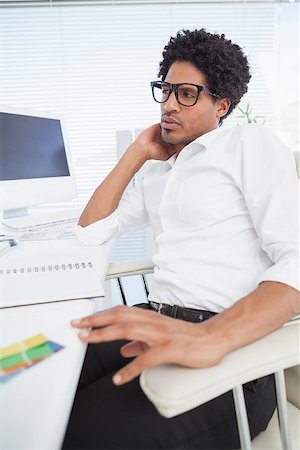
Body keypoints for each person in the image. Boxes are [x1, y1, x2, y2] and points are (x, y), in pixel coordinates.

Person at [62, 29, 299, 449]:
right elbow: (90, 232)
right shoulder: (159, 169)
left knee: (80, 429)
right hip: (157, 318)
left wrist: (212, 336)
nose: (169, 104)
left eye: (187, 93)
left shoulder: (247, 144)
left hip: (232, 348)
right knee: (43, 372)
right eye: (166, 90)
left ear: (221, 105)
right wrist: (136, 152)